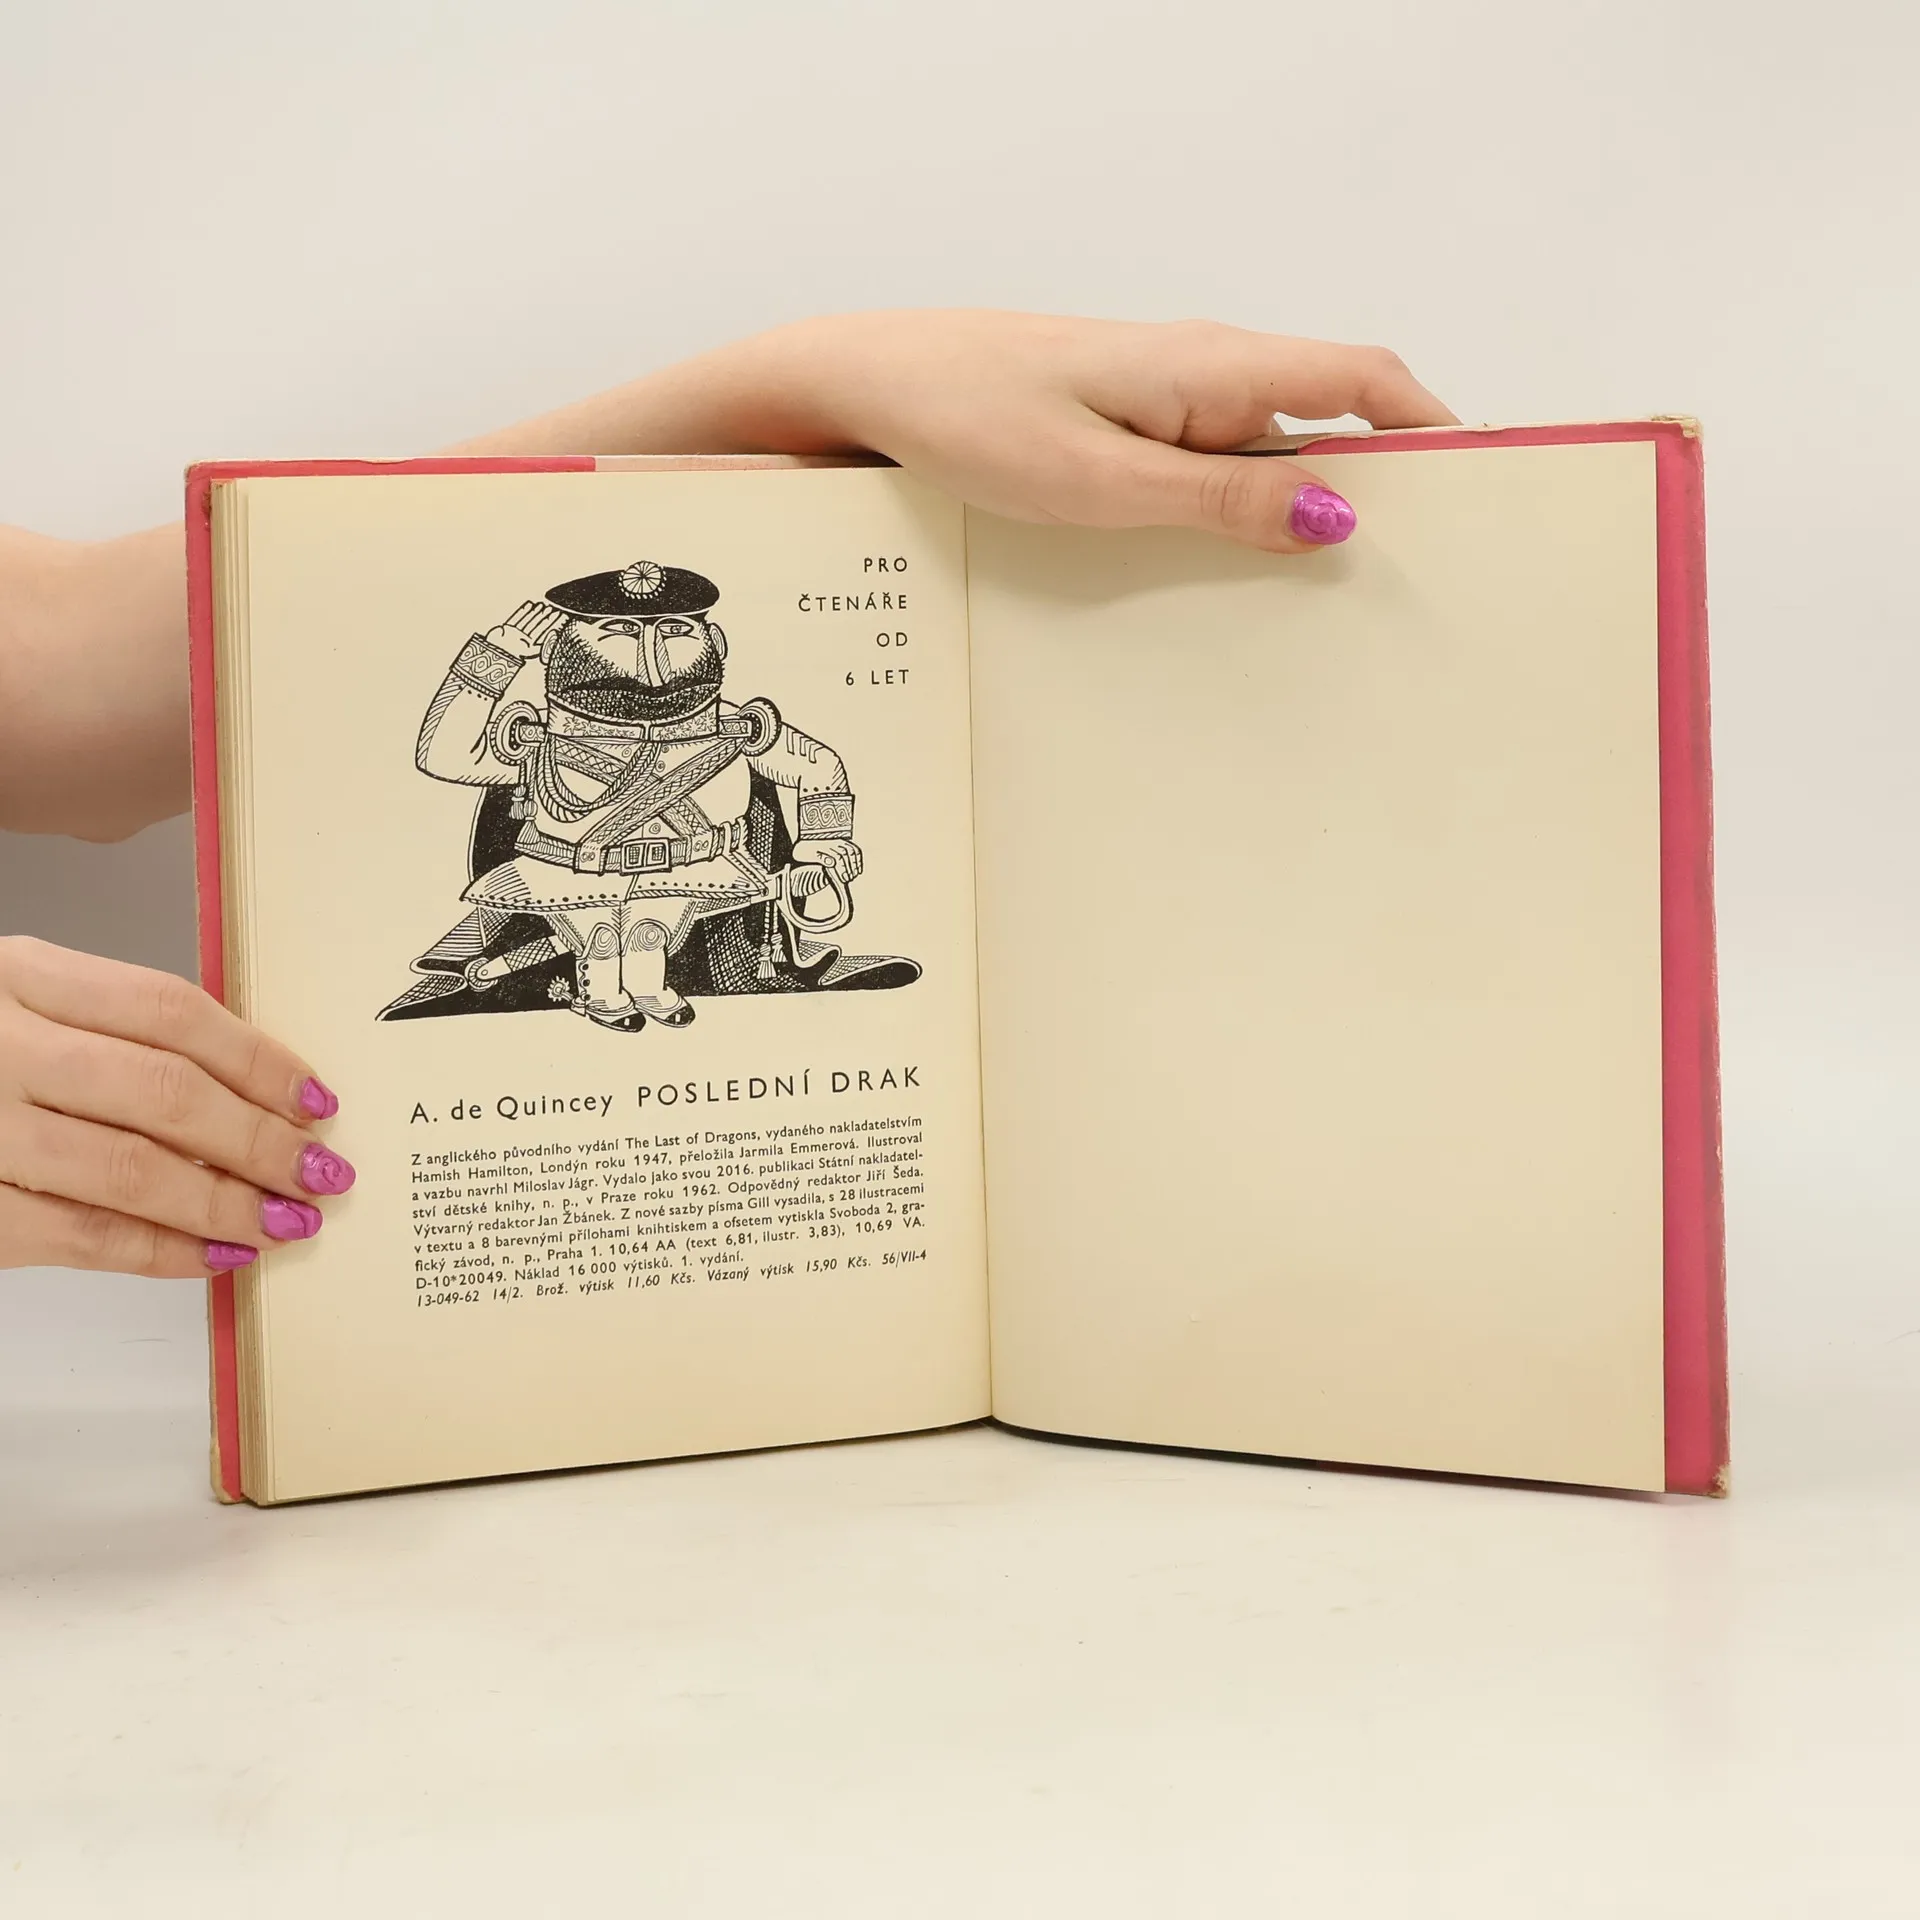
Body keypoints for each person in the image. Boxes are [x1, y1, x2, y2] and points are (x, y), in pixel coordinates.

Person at [0, 310, 1456, 1279]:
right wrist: (503, 646)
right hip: (562, 916)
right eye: (617, 642)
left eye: (666, 640)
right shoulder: (536, 719)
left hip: (711, 891)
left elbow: (67, 676)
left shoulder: (741, 725)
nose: (647, 659)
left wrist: (817, 379)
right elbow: (445, 755)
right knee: (571, 931)